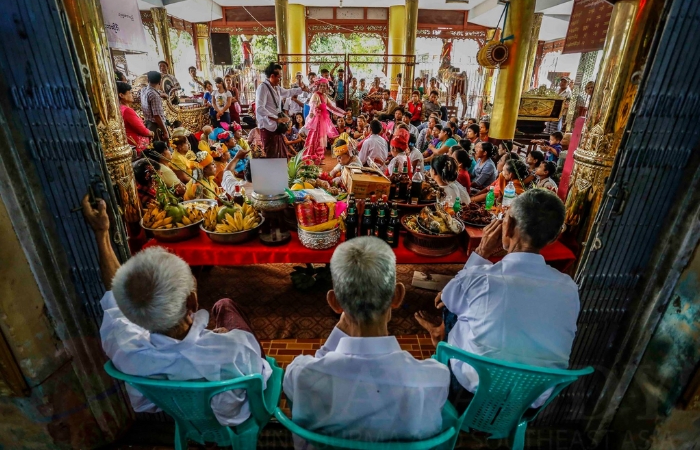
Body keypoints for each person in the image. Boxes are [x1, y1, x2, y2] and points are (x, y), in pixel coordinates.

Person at [82, 195, 271, 426]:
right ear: (192, 302)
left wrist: (101, 234)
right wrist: (222, 337)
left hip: (181, 414)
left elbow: (114, 291)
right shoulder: (234, 347)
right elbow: (259, 375)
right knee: (224, 305)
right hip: (236, 418)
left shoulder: (124, 346)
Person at [415, 189, 578, 409]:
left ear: (508, 225)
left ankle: (443, 343)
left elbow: (445, 298)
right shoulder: (569, 287)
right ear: (554, 237)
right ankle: (444, 335)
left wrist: (481, 252)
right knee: (465, 300)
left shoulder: (481, 277)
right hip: (529, 402)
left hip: (469, 396)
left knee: (452, 304)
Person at [284, 236, 450, 443]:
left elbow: (319, 363)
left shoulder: (301, 374)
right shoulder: (434, 378)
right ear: (397, 296)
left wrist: (338, 331)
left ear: (334, 302)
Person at [255, 62, 306, 158]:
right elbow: (259, 109)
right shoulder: (262, 88)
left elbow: (287, 92)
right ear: (272, 76)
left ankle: (280, 171)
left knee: (281, 154)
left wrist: (301, 89)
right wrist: (277, 119)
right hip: (267, 126)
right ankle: (272, 172)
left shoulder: (276, 87)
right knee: (271, 154)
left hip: (276, 127)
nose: (280, 79)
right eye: (279, 77)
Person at [304, 78, 345, 165]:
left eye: (324, 86)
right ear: (318, 86)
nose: (322, 87)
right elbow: (312, 106)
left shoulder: (325, 97)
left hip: (322, 121)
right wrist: (312, 113)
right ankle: (311, 157)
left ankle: (319, 158)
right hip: (316, 120)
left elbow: (332, 108)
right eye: (321, 86)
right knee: (314, 138)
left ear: (327, 87)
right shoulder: (315, 95)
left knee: (322, 138)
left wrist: (343, 113)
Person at [117, 81, 153, 155]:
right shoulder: (127, 110)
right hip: (138, 148)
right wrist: (152, 133)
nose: (132, 94)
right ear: (121, 95)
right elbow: (142, 130)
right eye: (129, 92)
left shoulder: (120, 108)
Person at [141, 71, 169, 141]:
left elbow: (153, 92)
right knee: (160, 147)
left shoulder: (143, 90)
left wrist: (161, 94)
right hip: (156, 126)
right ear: (160, 81)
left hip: (148, 123)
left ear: (148, 80)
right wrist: (165, 132)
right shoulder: (154, 95)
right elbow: (157, 116)